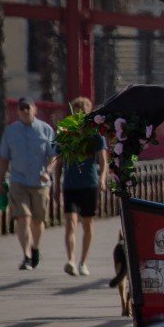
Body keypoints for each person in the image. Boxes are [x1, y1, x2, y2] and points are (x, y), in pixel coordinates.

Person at [0, 97, 57, 270]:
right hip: (18, 181)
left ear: (34, 109)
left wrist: (48, 171)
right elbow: (3, 159)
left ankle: (35, 248)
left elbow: (53, 155)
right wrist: (0, 181)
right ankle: (26, 256)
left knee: (38, 221)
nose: (24, 111)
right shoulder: (10, 132)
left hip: (40, 182)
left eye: (27, 108)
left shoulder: (46, 129)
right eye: (21, 108)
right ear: (17, 111)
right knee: (23, 218)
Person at [56, 96, 106, 276]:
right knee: (70, 223)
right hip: (70, 185)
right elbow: (59, 162)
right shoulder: (66, 133)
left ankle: (83, 261)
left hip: (89, 184)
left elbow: (103, 160)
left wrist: (102, 179)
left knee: (87, 223)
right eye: (76, 112)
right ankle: (70, 260)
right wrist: (56, 186)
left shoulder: (95, 134)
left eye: (83, 112)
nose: (79, 115)